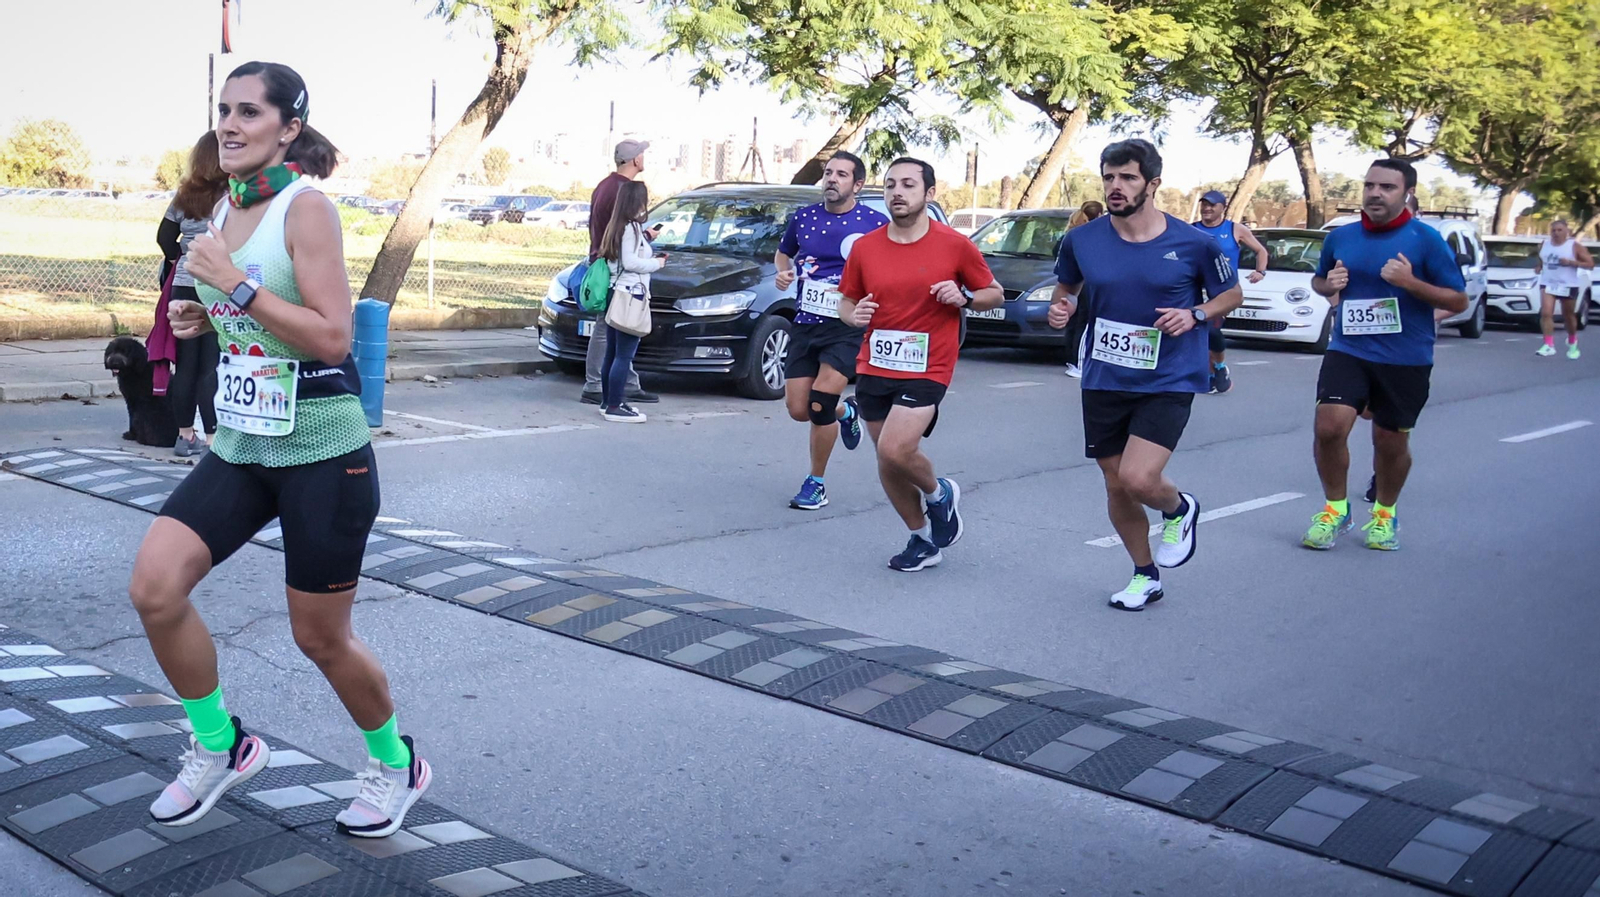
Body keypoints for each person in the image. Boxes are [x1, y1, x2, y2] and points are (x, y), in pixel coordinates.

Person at [131, 61, 429, 838]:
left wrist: (233, 290)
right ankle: (221, 744)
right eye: (223, 110)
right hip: (243, 442)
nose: (229, 124)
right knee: (156, 589)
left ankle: (395, 761)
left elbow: (332, 336)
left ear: (288, 127)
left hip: (324, 449)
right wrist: (209, 320)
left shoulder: (307, 209)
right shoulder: (226, 208)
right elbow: (252, 318)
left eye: (250, 113)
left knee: (319, 636)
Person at [1047, 139, 1243, 611]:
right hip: (1104, 375)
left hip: (1169, 376)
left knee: (1138, 477)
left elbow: (1230, 295)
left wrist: (1195, 314)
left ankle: (1179, 508)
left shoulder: (1195, 243)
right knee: (1116, 483)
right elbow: (1067, 287)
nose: (1116, 186)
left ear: (1152, 184)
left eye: (1128, 177)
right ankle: (1144, 574)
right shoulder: (1082, 239)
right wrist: (1063, 307)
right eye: (1110, 177)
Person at [839, 158, 1003, 572]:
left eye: (908, 185)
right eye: (891, 184)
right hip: (875, 362)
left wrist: (964, 298)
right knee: (887, 459)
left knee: (897, 448)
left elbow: (994, 294)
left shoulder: (954, 245)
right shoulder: (866, 246)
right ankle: (922, 538)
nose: (897, 192)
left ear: (929, 194)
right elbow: (847, 300)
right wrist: (851, 316)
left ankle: (939, 493)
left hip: (929, 364)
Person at [1302, 158, 1467, 552]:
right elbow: (1320, 280)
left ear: (1407, 192)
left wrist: (1410, 282)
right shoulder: (1341, 237)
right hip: (1349, 348)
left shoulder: (1425, 239)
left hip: (1405, 357)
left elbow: (1458, 299)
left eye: (1387, 187)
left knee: (1389, 443)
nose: (1375, 193)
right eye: (1370, 185)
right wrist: (1328, 285)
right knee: (1329, 427)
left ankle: (1384, 514)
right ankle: (1335, 509)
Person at [775, 151, 887, 509]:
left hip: (847, 326)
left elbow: (891, 265)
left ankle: (816, 482)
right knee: (798, 408)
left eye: (841, 174)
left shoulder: (874, 223)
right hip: (806, 323)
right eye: (828, 173)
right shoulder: (803, 218)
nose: (831, 179)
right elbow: (783, 253)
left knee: (820, 403)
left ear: (857, 184)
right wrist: (784, 272)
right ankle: (847, 412)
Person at [157, 130, 229, 457]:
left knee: (185, 366)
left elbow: (164, 236)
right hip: (216, 283)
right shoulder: (232, 195)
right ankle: (214, 437)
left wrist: (179, 257)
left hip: (184, 282)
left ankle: (185, 436)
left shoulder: (184, 196)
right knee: (210, 365)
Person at [580, 139, 658, 406]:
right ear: (635, 160)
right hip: (614, 268)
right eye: (642, 154)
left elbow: (615, 230)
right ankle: (596, 385)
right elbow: (622, 234)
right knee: (610, 327)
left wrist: (642, 235)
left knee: (616, 327)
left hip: (603, 261)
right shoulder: (624, 191)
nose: (644, 158)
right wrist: (646, 245)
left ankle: (625, 382)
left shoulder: (605, 185)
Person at [596, 181, 663, 423]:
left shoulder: (617, 226)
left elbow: (624, 256)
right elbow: (632, 262)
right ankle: (615, 405)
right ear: (637, 202)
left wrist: (646, 237)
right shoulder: (631, 228)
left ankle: (608, 401)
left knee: (612, 354)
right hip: (630, 295)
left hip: (616, 293)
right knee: (624, 355)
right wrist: (657, 263)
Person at [1192, 190, 1268, 394]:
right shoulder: (1191, 230)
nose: (1207, 208)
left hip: (1224, 290)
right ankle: (1209, 374)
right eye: (1204, 204)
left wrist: (1260, 271)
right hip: (1196, 288)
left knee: (1212, 329)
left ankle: (1218, 367)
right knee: (1201, 331)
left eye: (1212, 205)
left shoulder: (1235, 229)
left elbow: (1261, 251)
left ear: (1222, 208)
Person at [1534, 218, 1594, 359]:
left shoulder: (1574, 246)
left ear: (1567, 231)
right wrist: (1539, 267)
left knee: (1568, 316)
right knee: (1546, 313)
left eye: (1560, 230)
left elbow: (1590, 264)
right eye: (1553, 230)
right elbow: (1543, 259)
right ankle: (1548, 345)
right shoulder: (1544, 244)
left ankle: (1572, 339)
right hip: (1548, 283)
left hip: (1568, 284)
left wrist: (1571, 262)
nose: (1556, 233)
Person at [1062, 200, 1104, 379]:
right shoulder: (1094, 235)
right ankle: (1078, 364)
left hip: (1075, 283)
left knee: (1074, 323)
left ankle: (1071, 360)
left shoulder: (1072, 233)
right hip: (1086, 283)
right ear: (1099, 215)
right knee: (1084, 324)